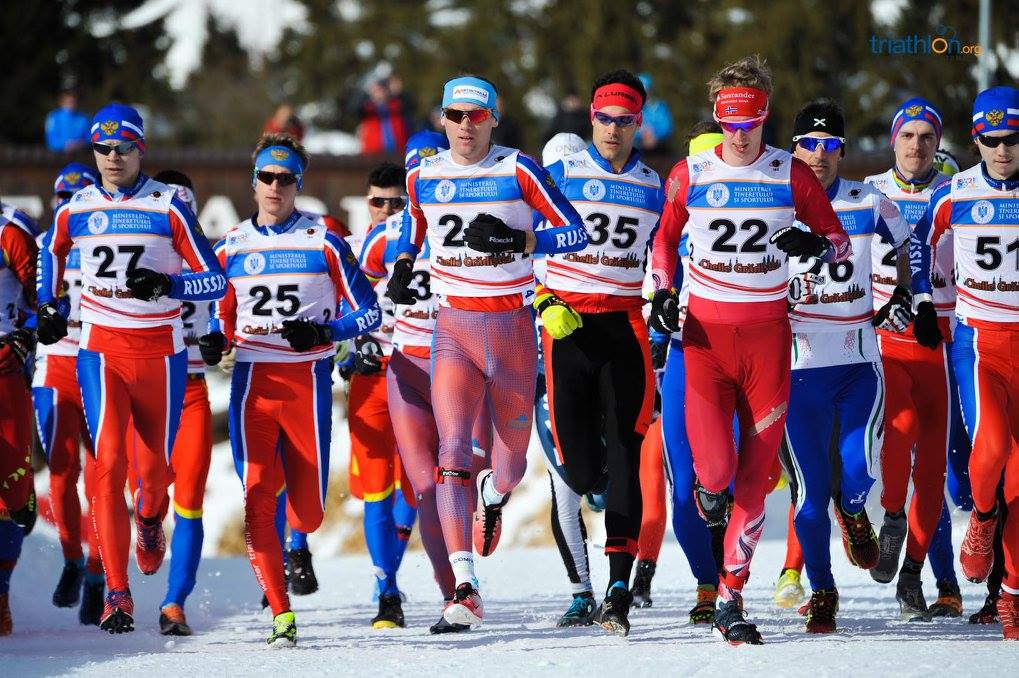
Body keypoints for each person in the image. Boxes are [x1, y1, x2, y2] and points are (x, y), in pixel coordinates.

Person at [648, 56, 850, 645]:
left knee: (756, 479)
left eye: (750, 125)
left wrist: (814, 246)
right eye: (729, 125)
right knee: (713, 472)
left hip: (767, 342)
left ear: (765, 118)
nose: (739, 137)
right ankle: (711, 497)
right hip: (706, 342)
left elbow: (838, 243)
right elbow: (663, 240)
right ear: (718, 119)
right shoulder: (690, 172)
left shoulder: (792, 174)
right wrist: (663, 292)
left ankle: (730, 597)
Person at [390, 74, 587, 626]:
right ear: (442, 119)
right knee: (450, 451)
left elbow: (576, 233)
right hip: (452, 327)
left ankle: (492, 494)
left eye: (476, 116)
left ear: (493, 120)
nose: (465, 126)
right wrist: (404, 265)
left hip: (512, 330)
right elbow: (413, 225)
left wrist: (519, 241)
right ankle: (465, 586)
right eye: (455, 116)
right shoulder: (423, 173)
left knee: (510, 467)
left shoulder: (518, 169)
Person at [36, 103, 226, 634]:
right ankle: (116, 593)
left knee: (154, 478)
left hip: (161, 355)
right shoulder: (77, 206)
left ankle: (148, 518)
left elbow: (215, 279)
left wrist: (168, 284)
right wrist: (48, 304)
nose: (112, 157)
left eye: (123, 148)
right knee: (108, 463)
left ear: (140, 149)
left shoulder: (168, 206)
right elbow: (51, 250)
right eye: (103, 148)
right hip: (100, 354)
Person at [199, 132, 380, 646]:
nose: (274, 186)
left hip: (307, 384)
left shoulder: (323, 241)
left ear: (298, 184)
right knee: (257, 494)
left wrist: (325, 332)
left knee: (308, 513)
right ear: (253, 182)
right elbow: (219, 317)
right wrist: (215, 341)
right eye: (266, 177)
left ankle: (297, 541)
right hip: (253, 383)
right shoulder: (231, 245)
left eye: (285, 178)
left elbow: (370, 312)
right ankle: (281, 614)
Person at [535, 69, 663, 636]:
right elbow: (519, 245)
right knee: (584, 472)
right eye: (605, 119)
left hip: (624, 327)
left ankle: (617, 589)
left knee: (629, 455)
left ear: (639, 122)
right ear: (591, 118)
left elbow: (668, 253)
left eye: (625, 120)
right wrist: (542, 299)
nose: (614, 129)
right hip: (568, 331)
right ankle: (604, 480)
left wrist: (666, 296)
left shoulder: (654, 185)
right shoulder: (561, 174)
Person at [780, 99, 910, 632]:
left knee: (857, 475)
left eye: (830, 145)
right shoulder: (773, 204)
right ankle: (823, 590)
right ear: (793, 150)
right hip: (797, 370)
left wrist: (906, 293)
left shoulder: (867, 200)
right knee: (810, 498)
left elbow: (907, 242)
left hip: (857, 364)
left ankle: (854, 512)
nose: (819, 154)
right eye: (809, 144)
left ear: (842, 151)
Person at [911, 85, 1019, 641]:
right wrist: (924, 300)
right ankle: (981, 517)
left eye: (1013, 139)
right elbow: (920, 245)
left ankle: (1011, 592)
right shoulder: (955, 192)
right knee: (991, 453)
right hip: (981, 343)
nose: (1003, 149)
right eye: (992, 139)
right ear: (976, 140)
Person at [863, 98, 963, 620]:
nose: (916, 146)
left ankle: (912, 574)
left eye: (926, 137)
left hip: (940, 340)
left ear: (937, 144)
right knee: (898, 431)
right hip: (888, 336)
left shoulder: (956, 191)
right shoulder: (871, 191)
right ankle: (892, 517)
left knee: (934, 473)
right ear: (893, 141)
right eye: (908, 135)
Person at [657, 122, 732, 626]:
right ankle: (707, 583)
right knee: (685, 488)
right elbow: (652, 277)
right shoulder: (672, 218)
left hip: (742, 357)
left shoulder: (758, 205)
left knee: (730, 480)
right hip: (686, 354)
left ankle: (731, 582)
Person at [140, 170, 214, 636]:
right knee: (149, 489)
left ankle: (174, 602)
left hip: (191, 391)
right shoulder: (138, 254)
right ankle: (147, 520)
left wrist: (220, 339)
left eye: (185, 212)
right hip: (147, 389)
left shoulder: (210, 261)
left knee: (189, 499)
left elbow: (229, 310)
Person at [32, 163, 105, 623]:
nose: (70, 205)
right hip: (56, 364)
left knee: (102, 477)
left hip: (98, 361)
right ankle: (72, 559)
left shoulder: (106, 239)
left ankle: (97, 572)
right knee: (61, 472)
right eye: (64, 198)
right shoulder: (44, 244)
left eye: (78, 197)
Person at [348, 160, 419, 627]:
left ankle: (389, 572)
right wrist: (348, 350)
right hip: (372, 376)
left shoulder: (424, 238)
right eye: (379, 202)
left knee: (414, 485)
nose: (388, 210)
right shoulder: (360, 246)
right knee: (374, 487)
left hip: (416, 371)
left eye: (397, 202)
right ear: (367, 203)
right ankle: (386, 590)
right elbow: (338, 303)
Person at [0, 204, 39, 636]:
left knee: (11, 489)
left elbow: (42, 300)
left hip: (4, 369)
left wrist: (25, 336)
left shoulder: (10, 232)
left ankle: (2, 594)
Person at [353, 77, 411, 154]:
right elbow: (353, 108)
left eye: (382, 90)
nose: (379, 93)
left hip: (399, 151)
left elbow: (410, 104)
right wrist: (363, 91)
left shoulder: (397, 104)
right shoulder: (367, 108)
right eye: (376, 90)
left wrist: (398, 91)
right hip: (373, 152)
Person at [634, 73, 674, 153]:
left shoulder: (660, 106)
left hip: (659, 148)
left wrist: (655, 134)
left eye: (645, 90)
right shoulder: (632, 109)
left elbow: (667, 127)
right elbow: (627, 127)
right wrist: (642, 133)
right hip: (639, 148)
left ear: (650, 90)